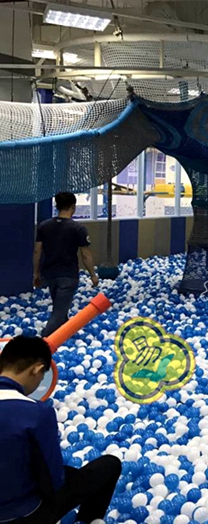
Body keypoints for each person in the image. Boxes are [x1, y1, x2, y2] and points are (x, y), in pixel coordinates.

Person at [0, 336, 122, 524]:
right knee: (109, 465)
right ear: (37, 370)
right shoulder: (36, 413)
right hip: (24, 514)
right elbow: (54, 479)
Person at [33, 193, 98, 338]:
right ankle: (44, 341)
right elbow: (86, 254)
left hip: (49, 274)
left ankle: (65, 335)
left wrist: (36, 273)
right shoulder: (78, 228)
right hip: (68, 275)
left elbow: (37, 252)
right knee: (59, 312)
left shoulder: (44, 226)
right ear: (73, 207)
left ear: (57, 206)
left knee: (60, 308)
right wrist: (92, 275)